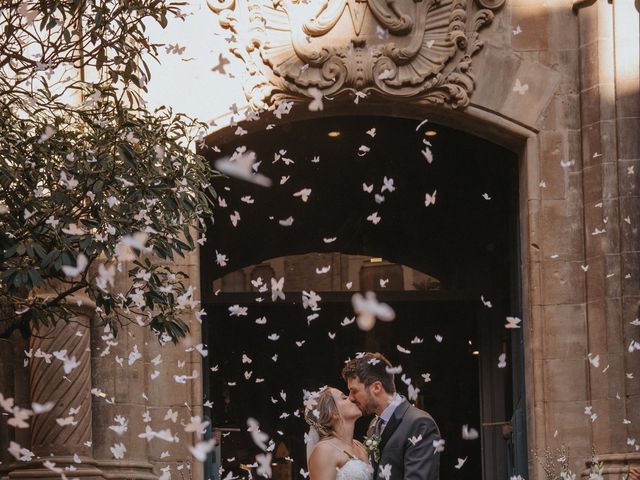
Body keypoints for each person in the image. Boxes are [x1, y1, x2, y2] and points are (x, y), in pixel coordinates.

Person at [342, 352, 441, 480]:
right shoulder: (373, 425)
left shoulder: (419, 423)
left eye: (354, 391)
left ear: (376, 387)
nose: (350, 398)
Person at [304, 386, 373, 480]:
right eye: (344, 398)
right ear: (333, 413)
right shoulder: (325, 450)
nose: (352, 398)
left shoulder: (359, 445)